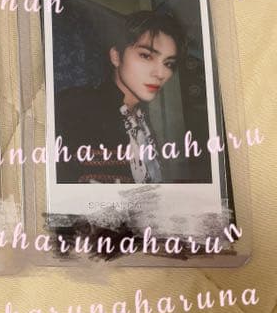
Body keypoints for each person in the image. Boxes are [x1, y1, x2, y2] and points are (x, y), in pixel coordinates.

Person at [55, 10, 186, 184]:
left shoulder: (142, 121)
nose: (161, 73)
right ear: (116, 56)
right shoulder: (75, 107)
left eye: (168, 63)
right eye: (146, 56)